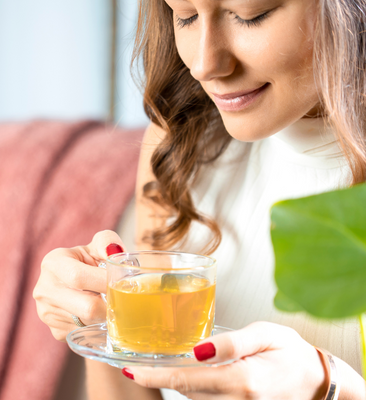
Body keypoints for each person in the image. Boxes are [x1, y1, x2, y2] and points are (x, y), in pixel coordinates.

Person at [33, 0, 366, 398]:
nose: (205, 65)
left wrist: (329, 387)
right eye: (185, 15)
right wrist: (99, 321)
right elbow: (139, 381)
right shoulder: (179, 147)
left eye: (250, 15)